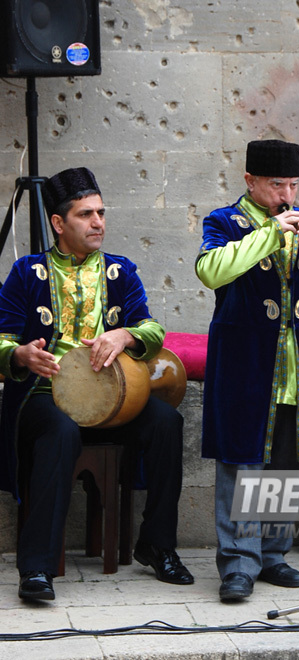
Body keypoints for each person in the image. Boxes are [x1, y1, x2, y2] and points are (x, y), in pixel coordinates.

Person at [0, 167, 194, 602]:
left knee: (167, 423)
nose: (98, 222)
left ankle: (157, 543)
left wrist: (125, 335)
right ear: (58, 223)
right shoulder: (26, 273)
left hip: (115, 400)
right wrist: (18, 354)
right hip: (44, 395)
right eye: (86, 214)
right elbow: (1, 337)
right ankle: (36, 567)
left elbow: (151, 328)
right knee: (60, 431)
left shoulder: (120, 273)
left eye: (101, 212)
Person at [196, 139, 299, 602]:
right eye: (276, 185)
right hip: (245, 360)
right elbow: (211, 271)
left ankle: (273, 555)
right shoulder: (224, 221)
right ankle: (238, 563)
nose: (286, 194)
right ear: (250, 182)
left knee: (287, 458)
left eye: (293, 185)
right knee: (242, 458)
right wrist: (271, 231)